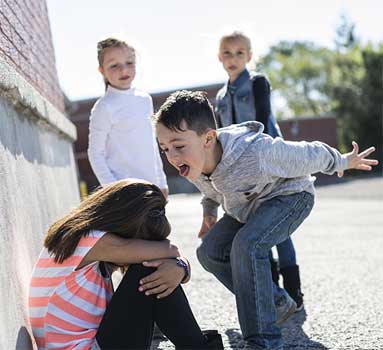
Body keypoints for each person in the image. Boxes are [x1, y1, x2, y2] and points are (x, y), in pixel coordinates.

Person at [153, 90, 378, 350]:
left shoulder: (255, 152)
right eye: (165, 148)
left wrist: (341, 160)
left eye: (178, 146)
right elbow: (211, 191)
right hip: (247, 207)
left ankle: (264, 341)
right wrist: (209, 214)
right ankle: (275, 301)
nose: (172, 156)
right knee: (209, 252)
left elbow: (307, 154)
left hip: (290, 198)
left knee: (247, 246)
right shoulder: (193, 162)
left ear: (208, 138)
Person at [28, 179, 224, 350]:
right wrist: (178, 265)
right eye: (140, 241)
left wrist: (180, 268)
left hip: (92, 343)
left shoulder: (81, 239)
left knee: (153, 268)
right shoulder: (89, 240)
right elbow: (170, 250)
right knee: (148, 269)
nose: (140, 249)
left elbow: (171, 256)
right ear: (123, 224)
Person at [215, 31, 303, 310]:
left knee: (280, 229)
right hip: (240, 172)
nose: (233, 58)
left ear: (249, 56)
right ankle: (275, 294)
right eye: (227, 53)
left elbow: (263, 121)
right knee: (255, 228)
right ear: (219, 57)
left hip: (269, 164)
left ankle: (294, 292)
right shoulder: (219, 96)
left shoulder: (257, 83)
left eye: (240, 53)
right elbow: (221, 135)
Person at [88, 37, 168, 197]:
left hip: (152, 187)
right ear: (102, 70)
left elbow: (151, 144)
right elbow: (95, 153)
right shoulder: (104, 107)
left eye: (129, 63)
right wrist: (113, 189)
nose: (123, 70)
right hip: (125, 192)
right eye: (114, 65)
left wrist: (162, 182)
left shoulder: (145, 99)